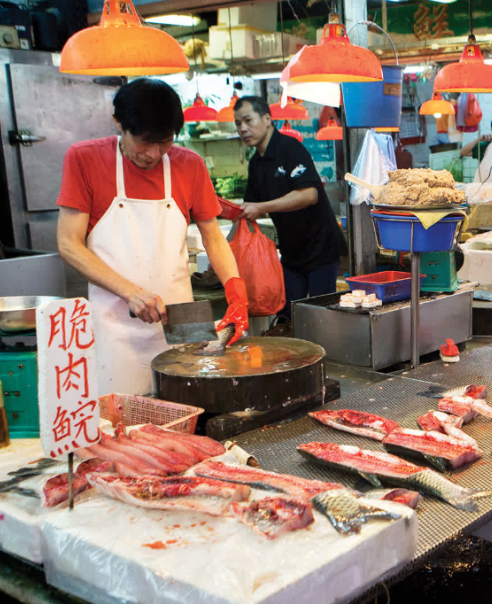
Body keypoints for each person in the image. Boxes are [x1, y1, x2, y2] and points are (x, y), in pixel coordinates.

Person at [57, 78, 248, 396]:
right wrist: (131, 292)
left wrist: (236, 292)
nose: (154, 154)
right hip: (114, 324)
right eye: (144, 142)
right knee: (125, 414)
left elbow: (213, 237)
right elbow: (68, 244)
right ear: (119, 124)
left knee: (191, 407)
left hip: (182, 321)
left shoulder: (190, 165)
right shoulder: (84, 159)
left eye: (165, 142)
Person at [234, 96, 345, 321]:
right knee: (288, 317)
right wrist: (225, 252)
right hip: (291, 254)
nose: (243, 128)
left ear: (267, 119)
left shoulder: (289, 148)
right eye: (238, 123)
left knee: (320, 317)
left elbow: (309, 195)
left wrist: (262, 207)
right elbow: (248, 212)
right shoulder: (256, 164)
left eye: (248, 120)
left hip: (320, 249)